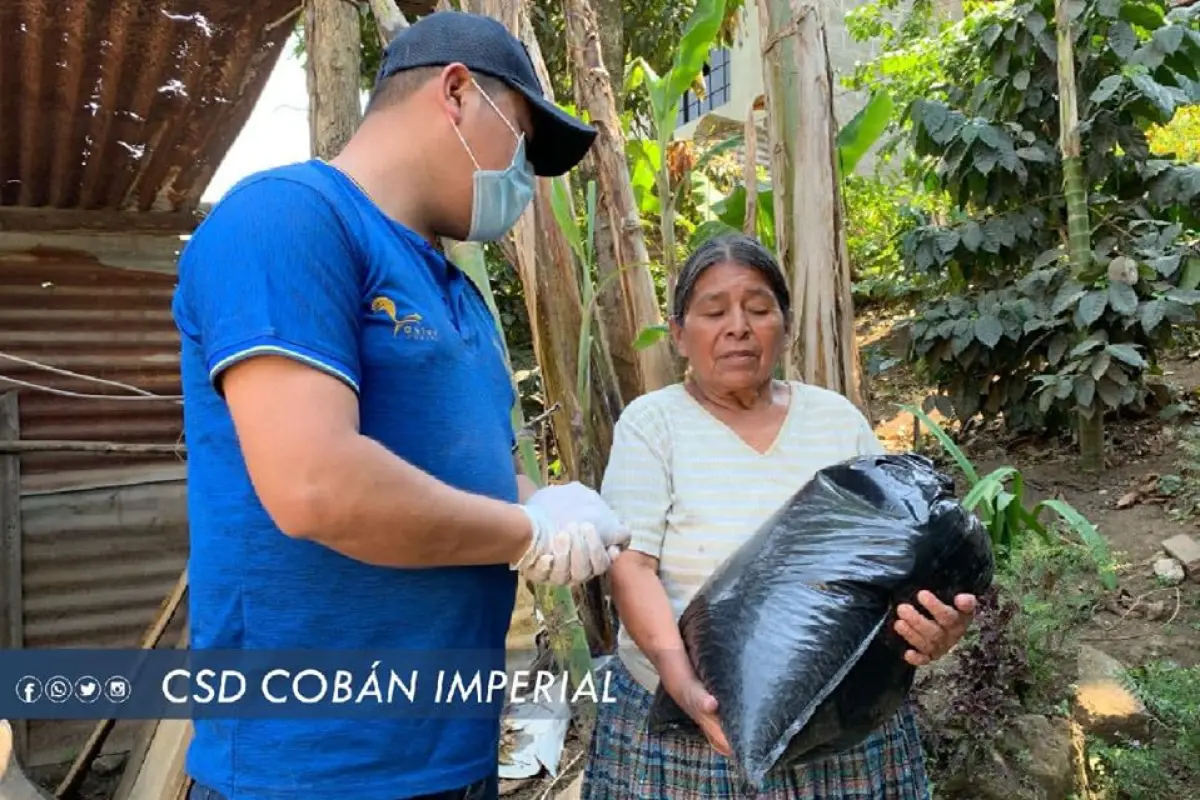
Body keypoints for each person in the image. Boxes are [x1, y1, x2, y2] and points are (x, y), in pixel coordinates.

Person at [172, 11, 629, 800]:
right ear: (455, 93)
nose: (523, 178)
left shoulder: (460, 297)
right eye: (520, 141)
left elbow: (476, 481)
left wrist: (549, 504)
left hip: (452, 753)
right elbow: (317, 485)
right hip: (313, 768)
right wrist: (526, 531)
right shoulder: (289, 218)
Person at [581, 233, 978, 799]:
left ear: (785, 326)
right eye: (714, 312)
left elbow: (896, 551)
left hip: (839, 727)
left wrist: (935, 628)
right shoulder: (653, 425)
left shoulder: (834, 420)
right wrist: (685, 684)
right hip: (690, 729)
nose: (738, 326)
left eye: (759, 309)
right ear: (679, 334)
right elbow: (632, 567)